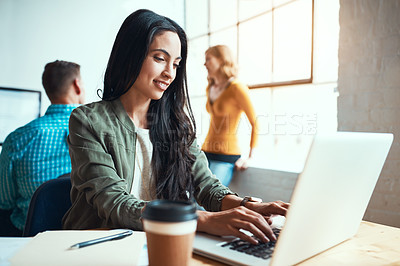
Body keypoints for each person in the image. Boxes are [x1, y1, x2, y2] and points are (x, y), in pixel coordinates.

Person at [62, 9, 288, 245]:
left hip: (162, 243)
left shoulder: (176, 124)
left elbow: (205, 185)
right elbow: (114, 202)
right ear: (131, 55)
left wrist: (249, 206)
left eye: (176, 64)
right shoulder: (87, 121)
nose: (170, 73)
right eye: (160, 58)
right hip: (101, 245)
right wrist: (201, 219)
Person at [0, 60, 85, 236]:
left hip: (29, 235)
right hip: (83, 233)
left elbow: (5, 201)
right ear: (77, 85)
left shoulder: (17, 138)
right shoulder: (96, 131)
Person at [201, 45, 259, 187]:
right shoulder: (210, 87)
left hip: (226, 157)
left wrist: (250, 157)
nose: (205, 64)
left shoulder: (236, 88)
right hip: (204, 153)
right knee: (188, 200)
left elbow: (255, 122)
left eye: (208, 59)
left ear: (221, 60)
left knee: (207, 202)